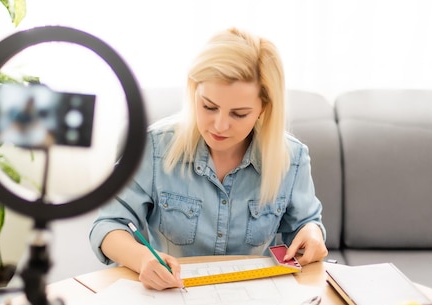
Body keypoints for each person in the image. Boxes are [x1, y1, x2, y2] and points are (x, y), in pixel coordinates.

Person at [89, 27, 328, 290]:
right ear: (194, 91)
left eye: (239, 114)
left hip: (254, 303)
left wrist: (312, 235)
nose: (220, 125)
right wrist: (143, 259)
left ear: (264, 109)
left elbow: (307, 224)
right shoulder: (154, 147)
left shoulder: (291, 159)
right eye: (209, 106)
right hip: (171, 299)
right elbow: (108, 225)